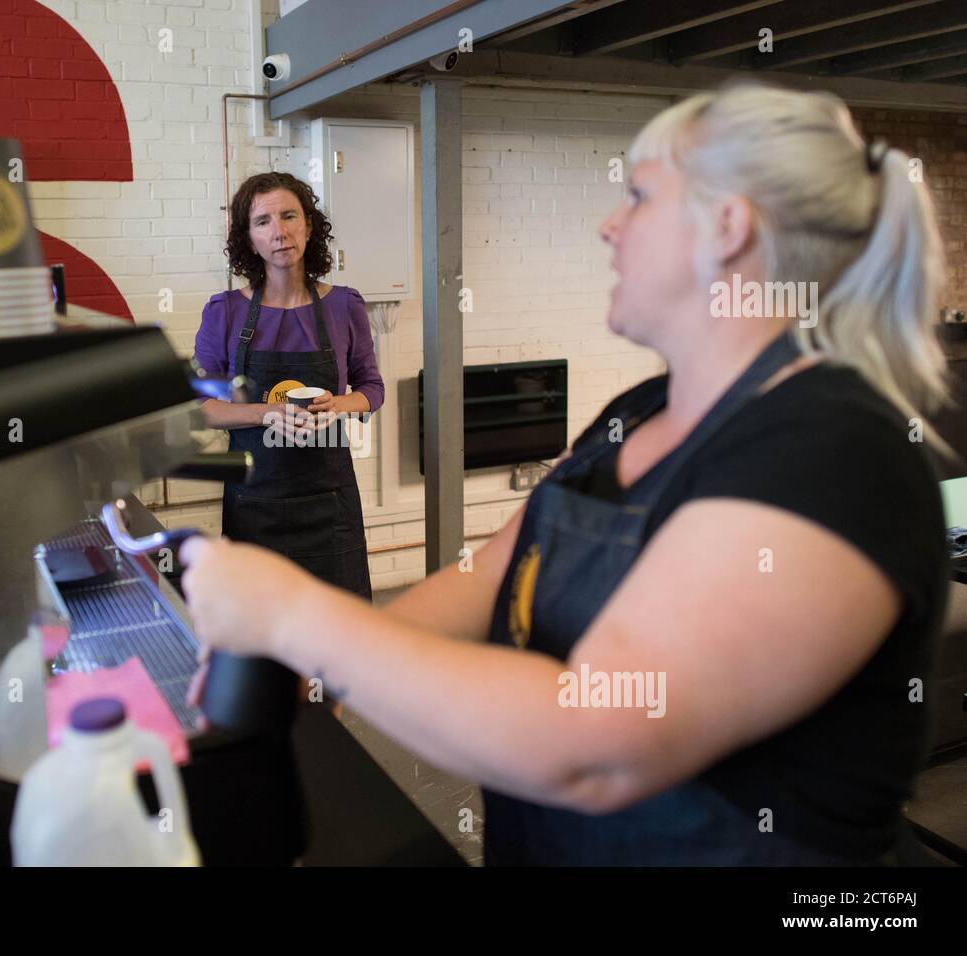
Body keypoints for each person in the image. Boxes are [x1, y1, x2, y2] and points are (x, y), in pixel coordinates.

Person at [178, 83, 951, 865]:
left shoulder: (831, 453)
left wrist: (291, 619)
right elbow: (488, 576)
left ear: (728, 228)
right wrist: (302, 663)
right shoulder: (643, 411)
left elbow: (594, 747)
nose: (608, 225)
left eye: (639, 197)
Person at [194, 172, 384, 599]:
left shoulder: (345, 305)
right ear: (249, 239)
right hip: (255, 504)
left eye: (289, 216)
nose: (278, 232)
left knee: (340, 633)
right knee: (260, 641)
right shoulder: (223, 312)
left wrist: (340, 404)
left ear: (309, 226)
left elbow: (372, 388)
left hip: (328, 507)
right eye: (262, 222)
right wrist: (266, 412)